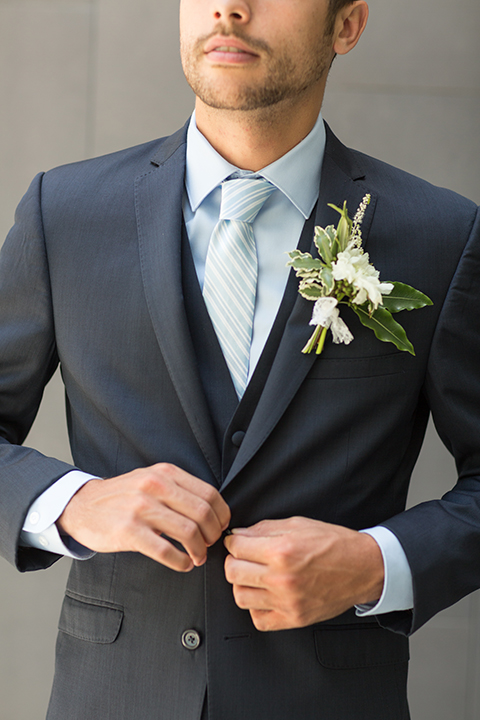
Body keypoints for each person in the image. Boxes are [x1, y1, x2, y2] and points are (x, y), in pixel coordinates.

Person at [0, 0, 479, 718]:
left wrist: (377, 564)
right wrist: (74, 503)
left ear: (346, 25)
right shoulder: (63, 213)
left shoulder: (441, 234)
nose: (229, 6)